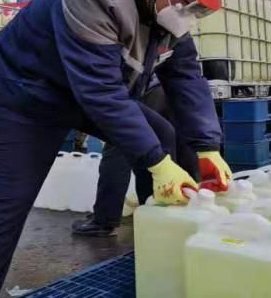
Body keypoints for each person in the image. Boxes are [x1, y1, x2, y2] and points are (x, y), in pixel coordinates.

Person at [0, 0, 243, 297]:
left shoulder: (168, 10)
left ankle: (162, 254)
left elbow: (186, 77)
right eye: (190, 2)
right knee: (9, 201)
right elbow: (102, 95)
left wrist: (207, 146)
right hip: (27, 94)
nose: (190, 14)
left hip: (86, 88)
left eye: (200, 9)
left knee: (163, 138)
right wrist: (156, 162)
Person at [72, 84, 199, 237]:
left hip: (147, 91)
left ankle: (105, 220)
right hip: (172, 90)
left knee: (120, 144)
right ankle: (156, 215)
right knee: (156, 145)